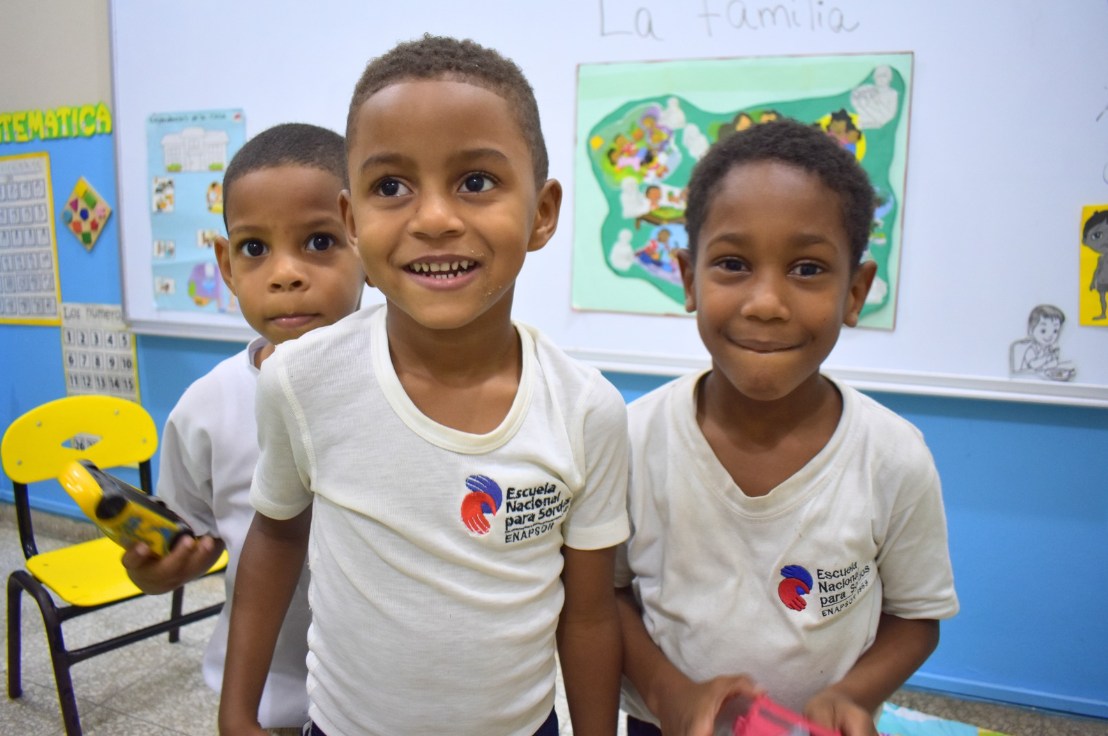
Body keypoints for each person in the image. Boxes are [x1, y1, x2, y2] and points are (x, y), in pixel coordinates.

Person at [218, 35, 630, 736]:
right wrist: (237, 711)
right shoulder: (301, 381)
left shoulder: (587, 410)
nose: (434, 218)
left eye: (476, 181)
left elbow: (589, 614)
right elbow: (277, 539)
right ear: (353, 222)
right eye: (391, 187)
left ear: (541, 212)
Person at [615, 119, 959, 736]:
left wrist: (853, 695)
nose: (766, 303)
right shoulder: (632, 440)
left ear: (855, 291)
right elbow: (605, 596)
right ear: (689, 279)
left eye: (806, 269)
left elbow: (916, 617)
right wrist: (670, 694)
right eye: (733, 264)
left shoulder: (892, 457)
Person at [122, 123, 366, 734]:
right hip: (270, 698)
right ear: (227, 266)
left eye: (319, 241)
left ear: (365, 239)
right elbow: (188, 536)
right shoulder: (206, 408)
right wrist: (156, 570)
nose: (285, 273)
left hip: (386, 697)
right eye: (255, 248)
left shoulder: (410, 384)